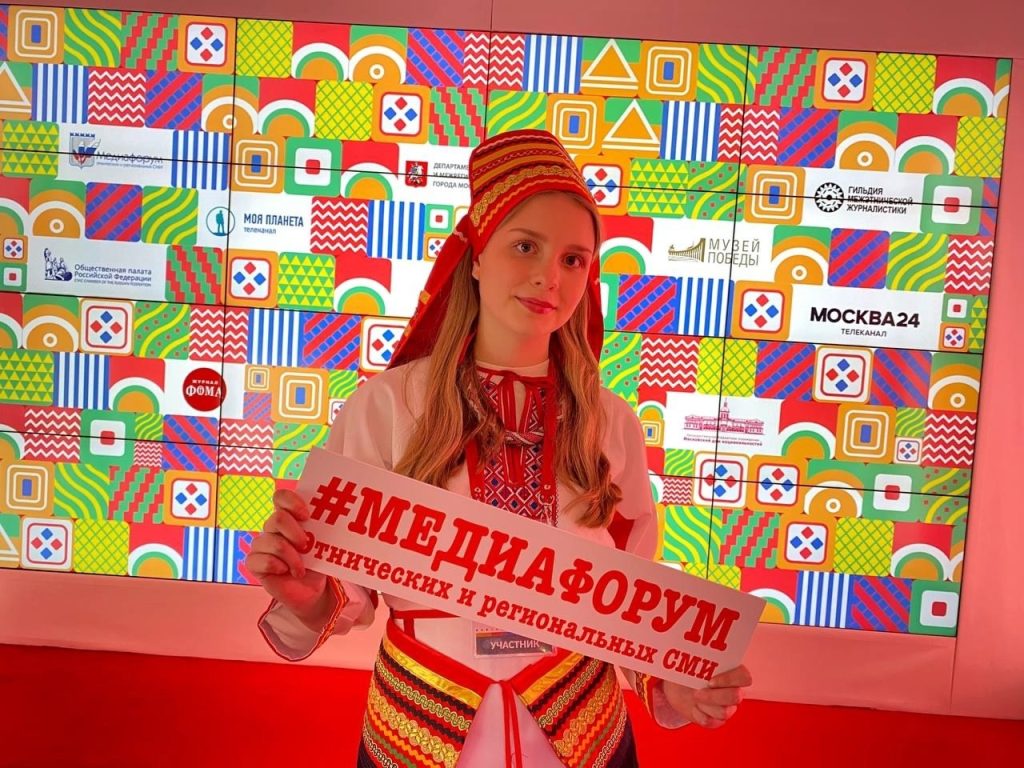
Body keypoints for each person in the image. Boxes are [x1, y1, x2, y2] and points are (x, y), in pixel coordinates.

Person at [246, 129, 753, 767]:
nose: (549, 277)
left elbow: (628, 601)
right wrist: (308, 595)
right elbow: (343, 586)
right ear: (477, 256)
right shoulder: (387, 405)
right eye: (525, 246)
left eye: (575, 259)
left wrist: (671, 681)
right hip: (419, 730)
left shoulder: (611, 422)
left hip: (582, 732)